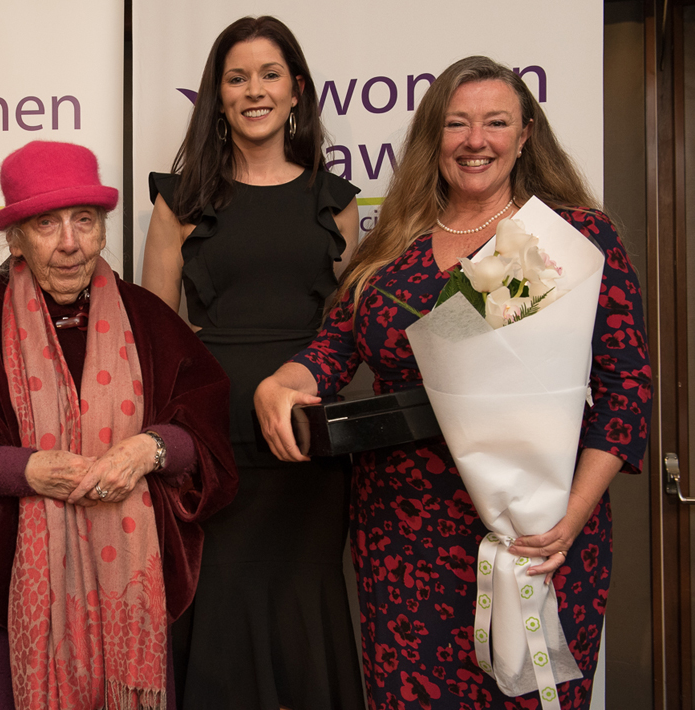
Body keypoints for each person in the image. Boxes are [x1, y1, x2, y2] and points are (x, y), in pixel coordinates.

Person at [255, 55, 653, 709]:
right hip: (402, 534)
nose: (475, 140)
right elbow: (335, 347)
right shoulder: (392, 245)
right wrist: (281, 381)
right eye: (456, 123)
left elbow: (625, 385)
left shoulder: (568, 236)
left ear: (525, 134)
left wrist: (570, 517)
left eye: (495, 122)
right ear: (432, 137)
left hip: (531, 525)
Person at [0, 140, 237, 710]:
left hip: (132, 578)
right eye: (46, 223)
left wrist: (149, 450)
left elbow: (203, 432)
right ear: (15, 238)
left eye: (84, 220)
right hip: (11, 580)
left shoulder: (146, 314)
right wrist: (27, 470)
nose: (69, 243)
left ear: (104, 230)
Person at [140, 16, 363, 710]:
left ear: (296, 89)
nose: (254, 90)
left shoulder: (337, 202)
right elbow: (156, 337)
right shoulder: (179, 201)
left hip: (307, 450)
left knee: (304, 602)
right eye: (237, 78)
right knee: (221, 607)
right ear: (218, 95)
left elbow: (347, 335)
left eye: (269, 75)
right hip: (214, 447)